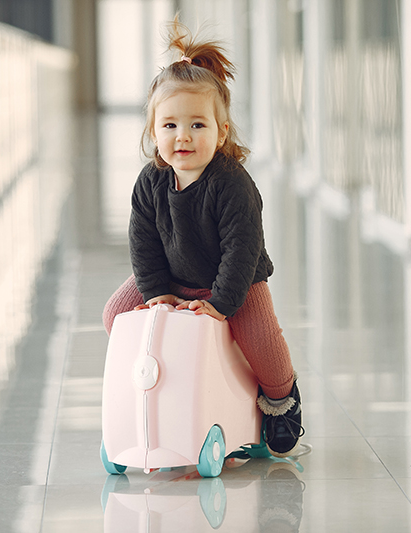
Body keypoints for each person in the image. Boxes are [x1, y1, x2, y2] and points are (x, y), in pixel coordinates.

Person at [102, 18, 303, 458]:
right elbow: (143, 243)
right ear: (154, 132)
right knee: (116, 315)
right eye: (170, 126)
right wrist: (156, 293)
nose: (183, 137)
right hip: (173, 274)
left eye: (197, 125)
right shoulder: (150, 182)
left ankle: (281, 401)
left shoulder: (231, 183)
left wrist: (221, 304)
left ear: (221, 132)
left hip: (235, 280)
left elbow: (242, 249)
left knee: (262, 345)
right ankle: (153, 389)